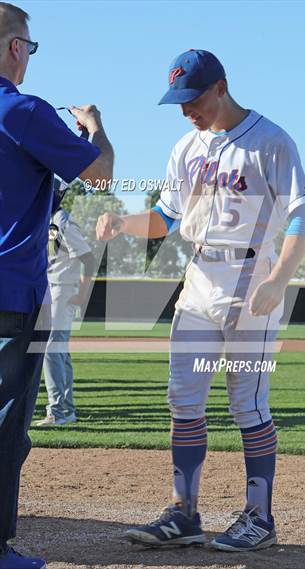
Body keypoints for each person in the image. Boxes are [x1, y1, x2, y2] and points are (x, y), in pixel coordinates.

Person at [96, 49, 305, 552]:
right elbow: (167, 220)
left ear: (220, 86)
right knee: (183, 401)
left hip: (252, 277)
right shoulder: (184, 147)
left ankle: (259, 518)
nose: (184, 109)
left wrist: (279, 279)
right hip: (198, 278)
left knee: (248, 403)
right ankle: (184, 514)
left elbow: (303, 215)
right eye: (177, 100)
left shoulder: (270, 141)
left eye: (192, 98)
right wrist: (122, 223)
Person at [0, 3, 114, 567]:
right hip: (8, 294)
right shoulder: (21, 110)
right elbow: (100, 173)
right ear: (16, 48)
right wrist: (94, 128)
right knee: (5, 429)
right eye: (29, 46)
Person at [36, 197, 95, 427]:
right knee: (58, 349)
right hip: (53, 288)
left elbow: (88, 259)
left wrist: (83, 293)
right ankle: (65, 409)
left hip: (63, 289)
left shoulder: (64, 222)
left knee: (51, 347)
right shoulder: (49, 220)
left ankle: (59, 410)